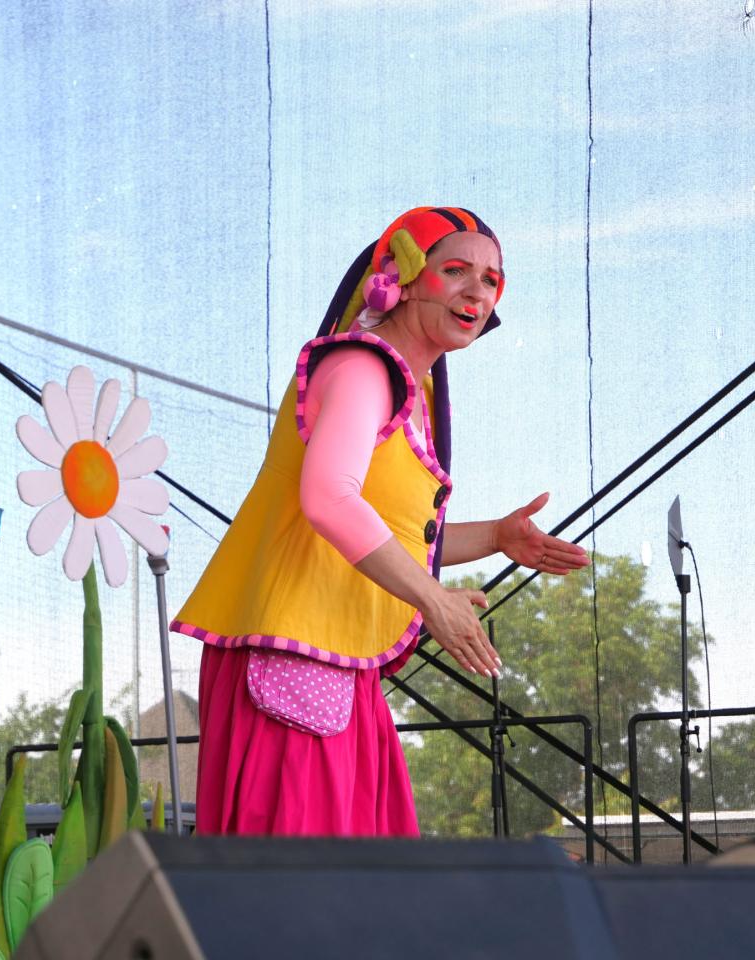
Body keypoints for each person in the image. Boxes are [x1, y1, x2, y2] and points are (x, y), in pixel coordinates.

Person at [171, 207, 589, 837]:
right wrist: (434, 601)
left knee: (361, 868)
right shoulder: (364, 369)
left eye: (491, 280)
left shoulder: (406, 387)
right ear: (406, 277)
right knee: (305, 873)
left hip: (334, 657)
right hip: (294, 652)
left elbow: (388, 533)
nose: (478, 291)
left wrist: (495, 538)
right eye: (457, 270)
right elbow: (330, 500)